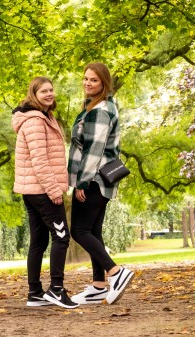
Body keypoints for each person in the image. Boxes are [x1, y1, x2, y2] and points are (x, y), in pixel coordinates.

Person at [68, 62, 134, 305]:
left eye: (93, 80)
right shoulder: (98, 107)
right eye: (85, 79)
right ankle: (98, 286)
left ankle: (115, 272)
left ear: (104, 83)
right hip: (101, 180)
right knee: (93, 231)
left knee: (79, 231)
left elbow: (94, 150)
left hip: (92, 179)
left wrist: (82, 182)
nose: (87, 83)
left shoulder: (99, 111)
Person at [12, 76, 78, 309]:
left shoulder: (45, 117)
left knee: (39, 241)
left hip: (33, 189)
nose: (49, 94)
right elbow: (39, 160)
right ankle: (56, 290)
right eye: (43, 92)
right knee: (61, 237)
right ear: (34, 95)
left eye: (51, 90)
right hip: (42, 190)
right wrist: (54, 190)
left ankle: (35, 293)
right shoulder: (35, 121)